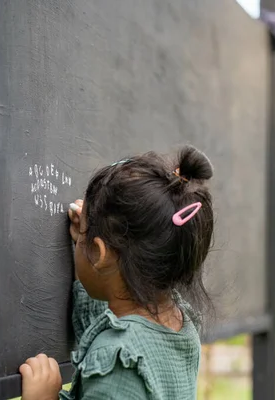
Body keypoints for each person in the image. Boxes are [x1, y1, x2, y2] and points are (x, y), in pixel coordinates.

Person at [19, 146, 215, 400]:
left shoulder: (118, 361)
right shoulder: (180, 325)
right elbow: (110, 328)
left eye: (84, 238)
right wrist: (87, 244)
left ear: (99, 253)